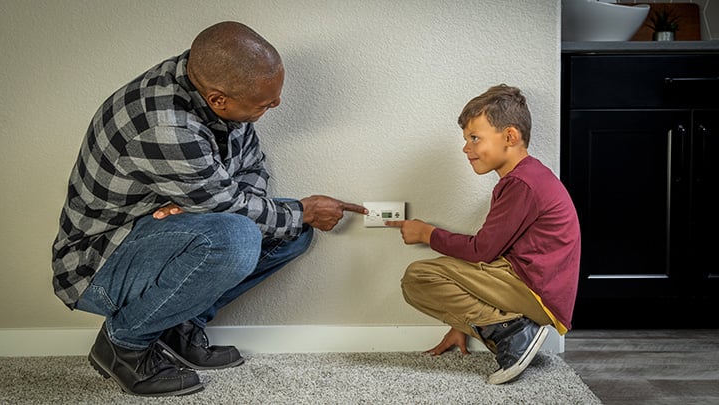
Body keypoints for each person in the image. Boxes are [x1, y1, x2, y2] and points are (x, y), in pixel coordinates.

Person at [51, 21, 367, 397]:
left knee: (290, 230)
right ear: (219, 98)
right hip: (98, 265)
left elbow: (252, 168)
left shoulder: (215, 93)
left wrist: (199, 206)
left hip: (155, 236)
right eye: (266, 103)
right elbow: (230, 205)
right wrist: (292, 209)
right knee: (238, 237)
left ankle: (176, 325)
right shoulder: (164, 122)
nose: (276, 105)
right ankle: (124, 346)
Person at [386, 84, 580, 385]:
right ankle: (506, 329)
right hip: (530, 283)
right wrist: (463, 324)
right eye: (466, 139)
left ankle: (514, 334)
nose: (466, 148)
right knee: (437, 274)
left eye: (475, 138)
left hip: (536, 291)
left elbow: (482, 251)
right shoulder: (527, 177)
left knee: (419, 277)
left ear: (510, 137)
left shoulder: (522, 184)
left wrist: (427, 233)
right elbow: (494, 254)